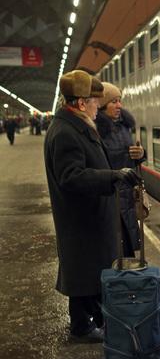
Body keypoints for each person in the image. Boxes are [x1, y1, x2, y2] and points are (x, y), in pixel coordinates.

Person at [44, 70, 141, 343]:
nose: (99, 105)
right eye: (95, 101)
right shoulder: (66, 131)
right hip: (82, 216)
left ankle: (82, 324)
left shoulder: (75, 124)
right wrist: (112, 177)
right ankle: (91, 324)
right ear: (80, 103)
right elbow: (71, 175)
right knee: (89, 270)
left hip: (89, 212)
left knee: (85, 271)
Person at [95, 82, 147, 255]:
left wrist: (140, 154)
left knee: (127, 250)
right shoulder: (97, 130)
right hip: (112, 195)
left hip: (127, 194)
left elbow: (130, 158)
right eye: (114, 102)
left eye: (120, 100)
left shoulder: (123, 126)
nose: (119, 105)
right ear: (102, 105)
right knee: (114, 250)